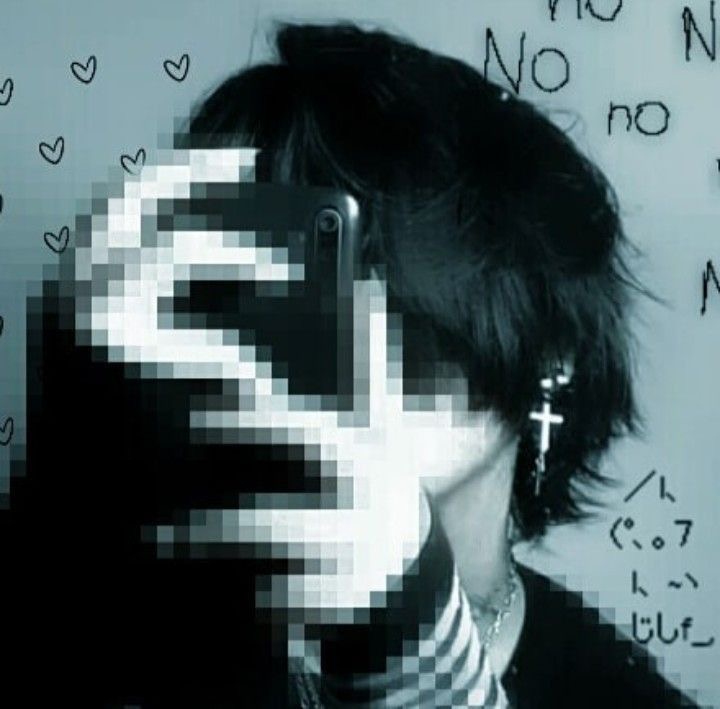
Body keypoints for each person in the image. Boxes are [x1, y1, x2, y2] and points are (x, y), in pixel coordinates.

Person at [4, 20, 699, 709]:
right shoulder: (122, 616)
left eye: (372, 259)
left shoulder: (618, 694)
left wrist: (409, 647)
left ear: (548, 350)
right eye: (271, 263)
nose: (332, 322)